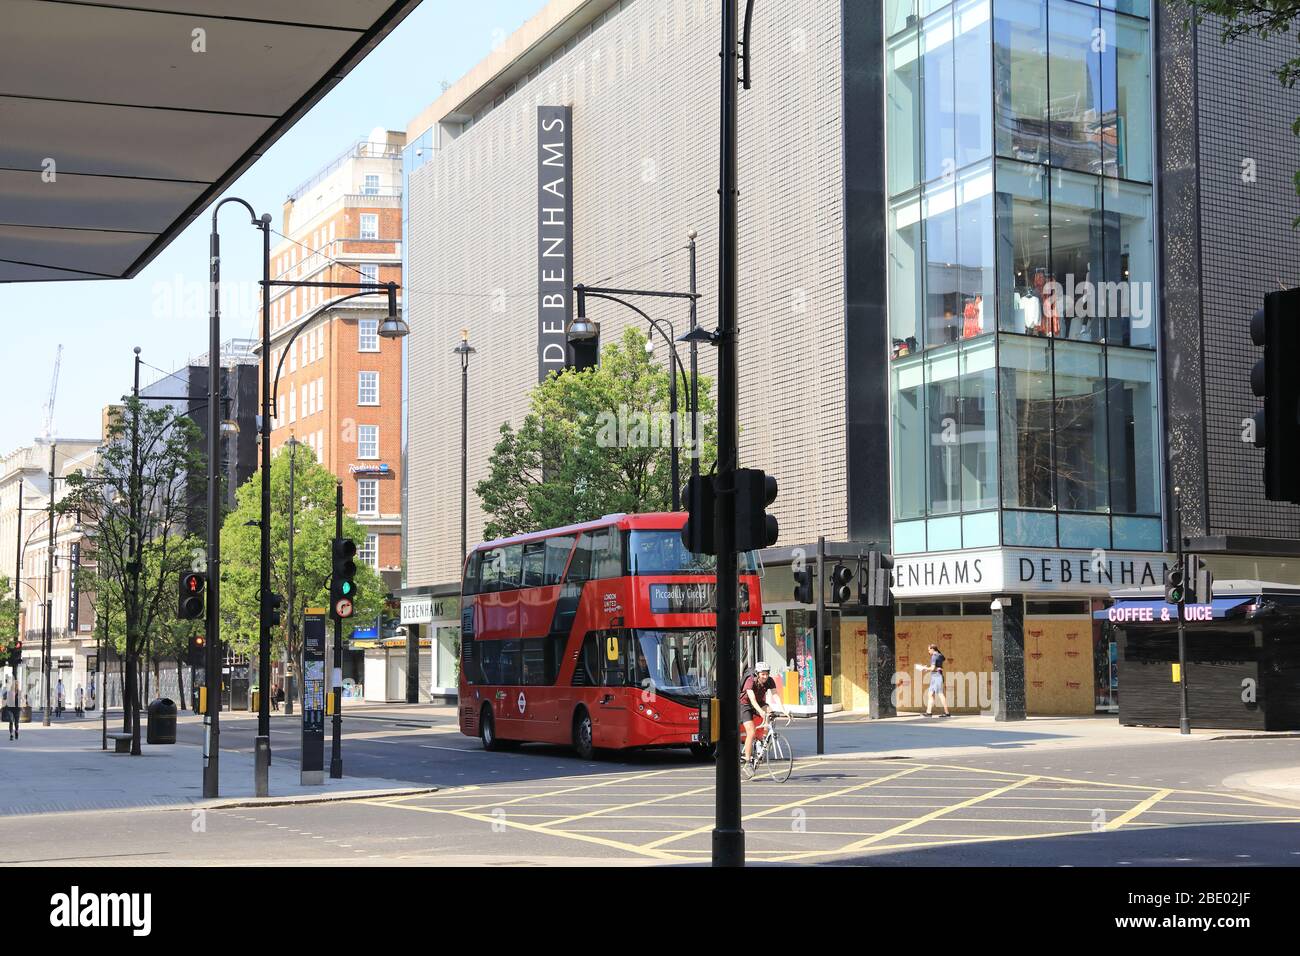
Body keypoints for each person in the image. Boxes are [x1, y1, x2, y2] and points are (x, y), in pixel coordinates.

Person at [740, 662, 781, 766]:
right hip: (745, 705)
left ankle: (763, 738)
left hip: (759, 702)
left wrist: (784, 710)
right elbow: (752, 700)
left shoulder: (769, 681)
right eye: (763, 674)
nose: (765, 676)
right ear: (757, 674)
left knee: (770, 711)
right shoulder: (750, 680)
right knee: (751, 732)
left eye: (767, 674)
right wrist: (761, 712)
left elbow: (775, 695)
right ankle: (748, 760)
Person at [922, 643, 951, 718]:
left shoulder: (934, 656)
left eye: (929, 650)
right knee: (930, 694)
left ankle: (947, 713)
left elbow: (932, 668)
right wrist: (936, 667)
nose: (928, 651)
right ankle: (929, 712)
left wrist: (924, 668)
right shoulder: (939, 655)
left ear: (932, 649)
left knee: (940, 694)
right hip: (936, 676)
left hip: (936, 676)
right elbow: (943, 659)